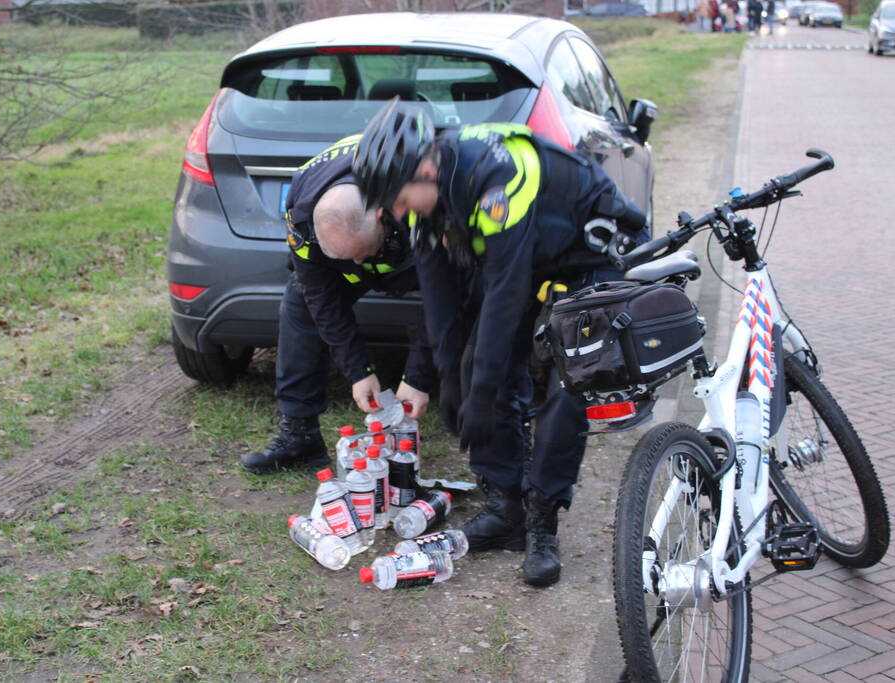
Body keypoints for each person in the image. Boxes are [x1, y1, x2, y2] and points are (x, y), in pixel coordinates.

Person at [352, 99, 649, 587]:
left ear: (426, 168)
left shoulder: (498, 177)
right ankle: (505, 505)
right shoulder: (417, 201)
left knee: (567, 383)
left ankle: (541, 518)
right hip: (523, 259)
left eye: (401, 199)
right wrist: (452, 382)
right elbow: (441, 303)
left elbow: (507, 297)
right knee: (473, 367)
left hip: (583, 254)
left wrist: (484, 391)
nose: (398, 212)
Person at [241, 136, 434, 474]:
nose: (359, 261)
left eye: (362, 253)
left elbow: (446, 300)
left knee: (466, 312)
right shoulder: (300, 211)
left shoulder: (420, 192)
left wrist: (418, 376)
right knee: (300, 303)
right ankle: (299, 435)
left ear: (381, 215)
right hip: (358, 245)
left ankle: (492, 437)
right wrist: (359, 371)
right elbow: (320, 296)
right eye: (350, 256)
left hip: (412, 254)